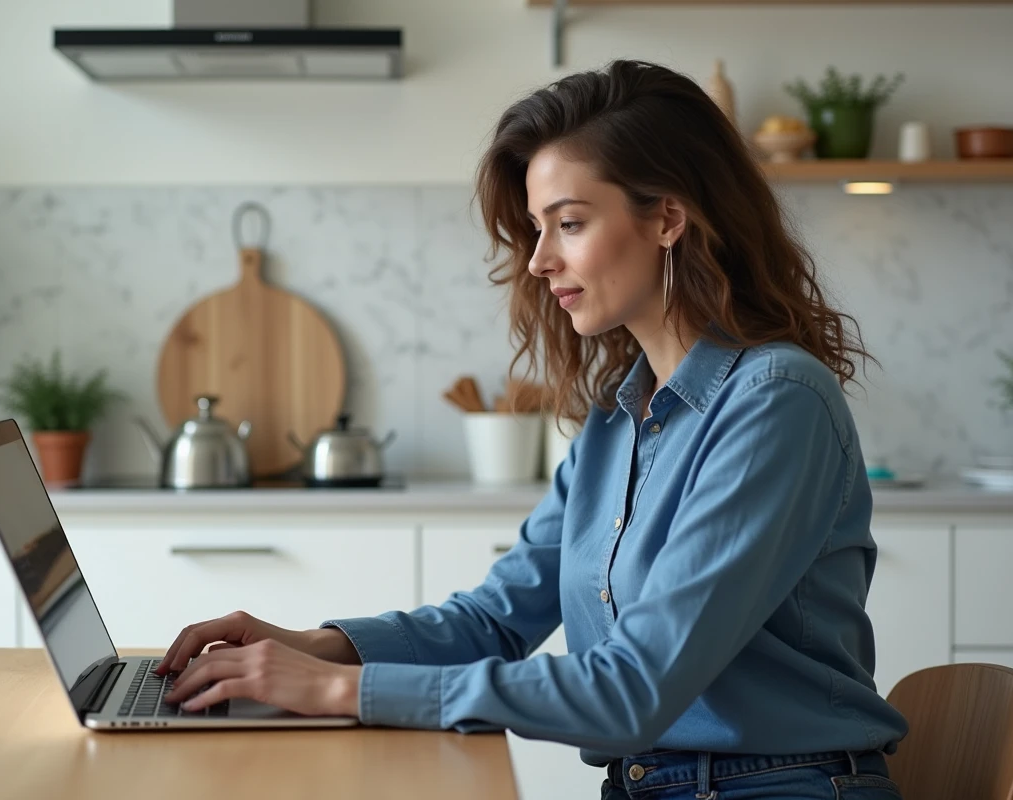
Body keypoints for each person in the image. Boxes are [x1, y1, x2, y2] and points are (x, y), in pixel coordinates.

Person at [158, 59, 909, 800]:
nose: (542, 260)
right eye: (537, 229)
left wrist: (339, 691)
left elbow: (630, 694)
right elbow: (492, 620)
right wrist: (309, 647)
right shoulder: (621, 420)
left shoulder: (775, 402)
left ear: (668, 218)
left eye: (570, 224)